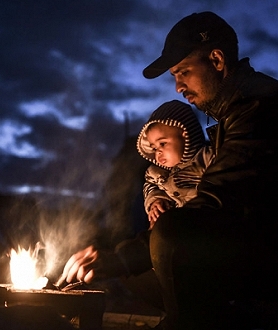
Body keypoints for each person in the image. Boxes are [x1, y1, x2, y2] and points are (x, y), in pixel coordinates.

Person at [58, 11, 278, 329]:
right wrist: (116, 261)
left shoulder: (259, 111)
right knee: (141, 276)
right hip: (254, 256)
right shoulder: (235, 114)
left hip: (265, 266)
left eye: (183, 72)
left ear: (216, 60)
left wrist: (124, 256)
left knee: (174, 233)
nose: (178, 87)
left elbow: (216, 205)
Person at [137, 100, 214, 230]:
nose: (158, 151)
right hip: (172, 227)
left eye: (162, 143)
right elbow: (151, 187)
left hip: (202, 223)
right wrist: (156, 201)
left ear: (185, 136)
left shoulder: (206, 158)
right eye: (154, 148)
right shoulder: (156, 173)